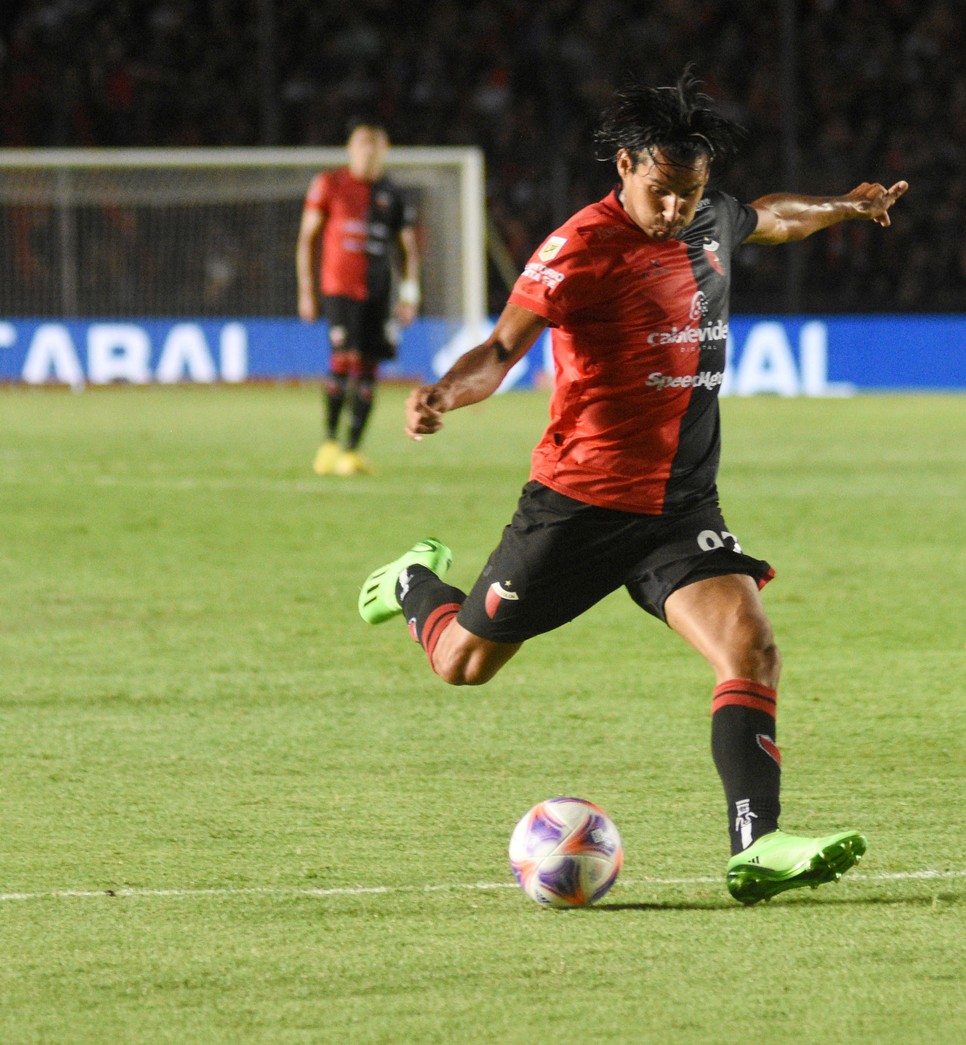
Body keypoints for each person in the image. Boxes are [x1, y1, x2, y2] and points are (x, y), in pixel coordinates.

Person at [355, 74, 908, 905]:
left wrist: (847, 206)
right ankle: (411, 579)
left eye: (690, 192)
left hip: (680, 506)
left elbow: (773, 217)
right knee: (461, 664)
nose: (676, 209)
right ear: (624, 166)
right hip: (578, 504)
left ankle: (757, 845)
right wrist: (441, 393)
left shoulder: (710, 217)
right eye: (661, 191)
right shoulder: (577, 248)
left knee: (750, 647)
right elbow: (500, 350)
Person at [297, 120, 421, 476]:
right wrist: (306, 291)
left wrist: (409, 294)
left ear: (384, 150)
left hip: (379, 293)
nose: (368, 151)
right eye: (362, 143)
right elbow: (307, 238)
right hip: (339, 289)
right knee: (342, 360)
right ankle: (328, 444)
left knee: (369, 366)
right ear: (350, 148)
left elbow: (407, 250)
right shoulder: (329, 184)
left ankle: (351, 451)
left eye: (374, 144)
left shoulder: (392, 194)